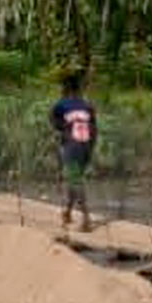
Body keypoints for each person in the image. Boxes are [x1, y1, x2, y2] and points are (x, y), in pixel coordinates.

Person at [49, 71, 98, 230]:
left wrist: (62, 135)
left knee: (75, 180)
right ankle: (68, 212)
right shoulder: (88, 106)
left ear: (65, 89)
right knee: (75, 179)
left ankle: (86, 218)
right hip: (87, 146)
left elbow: (54, 124)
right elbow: (94, 129)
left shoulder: (60, 105)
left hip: (72, 146)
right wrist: (91, 148)